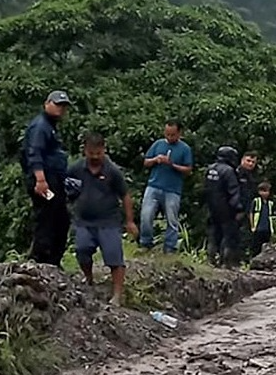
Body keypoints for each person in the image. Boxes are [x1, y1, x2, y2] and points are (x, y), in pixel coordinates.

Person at [67, 133, 138, 307]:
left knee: (114, 258)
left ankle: (117, 294)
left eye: (98, 153)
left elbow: (125, 195)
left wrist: (130, 221)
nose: (95, 157)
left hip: (108, 221)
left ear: (104, 151)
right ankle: (88, 278)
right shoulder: (76, 169)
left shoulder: (112, 171)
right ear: (85, 151)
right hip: (84, 220)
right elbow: (68, 190)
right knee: (82, 250)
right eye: (92, 153)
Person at [21, 90, 71, 265]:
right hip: (44, 181)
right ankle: (40, 258)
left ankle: (53, 260)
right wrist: (40, 180)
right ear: (47, 103)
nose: (61, 109)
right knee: (47, 218)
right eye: (57, 105)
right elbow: (34, 153)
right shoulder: (40, 126)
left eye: (64, 106)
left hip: (54, 181)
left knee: (60, 218)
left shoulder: (50, 126)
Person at [138, 119, 193, 252]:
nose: (169, 137)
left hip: (172, 190)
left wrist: (172, 164)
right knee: (146, 216)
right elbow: (146, 162)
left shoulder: (185, 149)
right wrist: (156, 160)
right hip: (154, 185)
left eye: (172, 135)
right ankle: (146, 243)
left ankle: (170, 248)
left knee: (172, 220)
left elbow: (188, 169)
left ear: (179, 133)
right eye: (167, 134)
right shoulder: (158, 144)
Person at [203, 145, 243, 266]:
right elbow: (233, 191)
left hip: (211, 207)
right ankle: (225, 262)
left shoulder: (210, 169)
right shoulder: (228, 171)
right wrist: (238, 208)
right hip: (226, 209)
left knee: (214, 234)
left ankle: (210, 259)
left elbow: (205, 189)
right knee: (228, 235)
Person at [234, 153, 260, 265]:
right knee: (234, 235)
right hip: (235, 209)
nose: (250, 164)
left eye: (253, 162)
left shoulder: (252, 176)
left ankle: (242, 260)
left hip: (248, 210)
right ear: (242, 160)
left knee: (245, 236)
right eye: (248, 161)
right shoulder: (235, 173)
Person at [249, 180, 275, 253]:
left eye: (267, 191)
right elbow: (251, 213)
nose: (265, 193)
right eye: (263, 191)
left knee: (267, 247)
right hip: (258, 228)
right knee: (256, 247)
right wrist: (252, 226)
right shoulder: (256, 201)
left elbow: (270, 216)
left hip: (267, 228)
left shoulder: (270, 203)